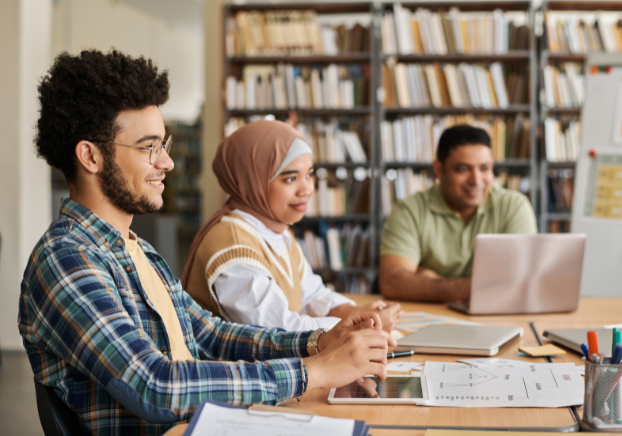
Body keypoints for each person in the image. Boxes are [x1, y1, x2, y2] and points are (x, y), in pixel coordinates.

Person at [18, 49, 396, 436]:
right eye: (149, 147)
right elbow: (156, 386)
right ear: (91, 156)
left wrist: (320, 341)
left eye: (163, 145)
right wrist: (314, 371)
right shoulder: (66, 260)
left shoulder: (138, 251)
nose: (167, 162)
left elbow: (210, 336)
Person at [181, 120, 401, 333]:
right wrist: (357, 326)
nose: (306, 189)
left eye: (310, 174)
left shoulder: (277, 231)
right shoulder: (231, 246)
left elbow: (312, 295)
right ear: (252, 181)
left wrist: (357, 312)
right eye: (290, 178)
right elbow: (281, 332)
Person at [378, 124, 537, 303]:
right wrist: (486, 286)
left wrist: (432, 280)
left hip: (496, 317)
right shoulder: (409, 210)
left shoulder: (514, 207)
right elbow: (393, 281)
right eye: (463, 169)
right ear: (439, 170)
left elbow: (521, 283)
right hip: (430, 321)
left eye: (484, 168)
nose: (476, 180)